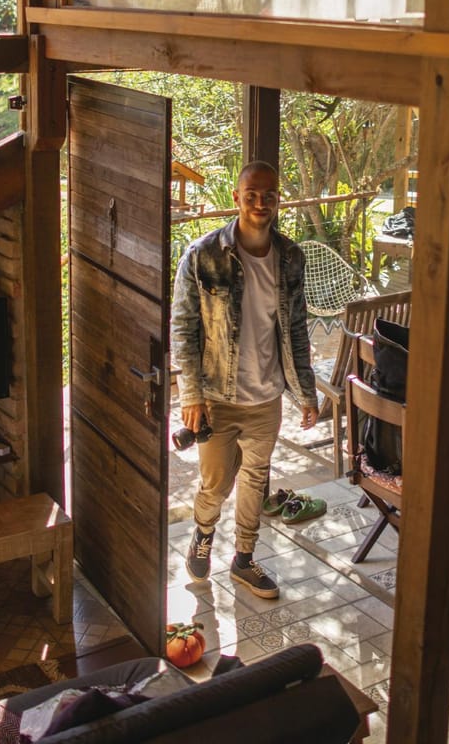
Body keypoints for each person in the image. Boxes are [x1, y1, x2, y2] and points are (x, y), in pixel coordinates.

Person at [171, 161, 319, 599]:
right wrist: (191, 395)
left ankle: (244, 559)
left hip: (266, 396)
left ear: (278, 200)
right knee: (216, 484)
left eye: (268, 194)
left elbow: (295, 329)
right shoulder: (203, 255)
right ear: (236, 198)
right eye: (251, 194)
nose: (260, 202)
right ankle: (202, 533)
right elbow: (184, 328)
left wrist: (305, 394)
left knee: (256, 478)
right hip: (217, 396)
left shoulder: (290, 257)